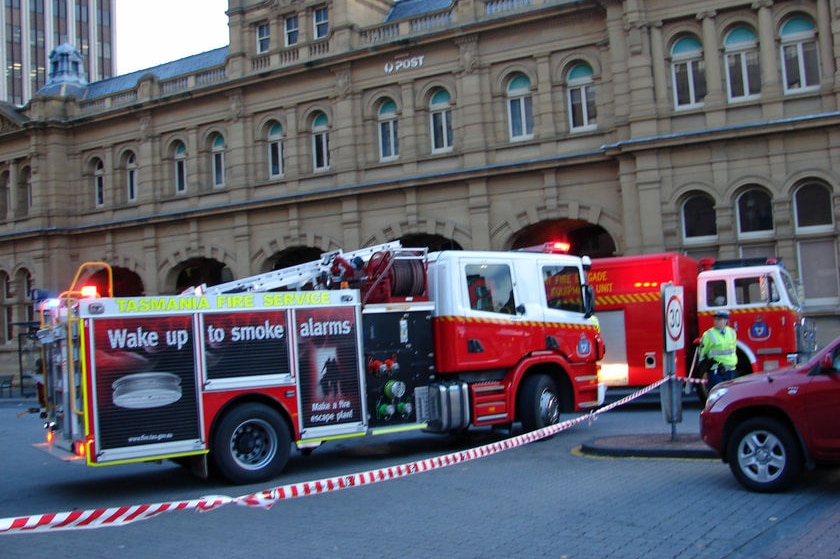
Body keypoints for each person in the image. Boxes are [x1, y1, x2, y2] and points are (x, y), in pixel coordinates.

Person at [698, 310, 738, 389]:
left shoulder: (732, 332)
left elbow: (733, 350)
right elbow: (702, 352)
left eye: (719, 319)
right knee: (717, 394)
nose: (716, 321)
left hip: (731, 369)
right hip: (716, 370)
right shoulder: (708, 334)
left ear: (726, 320)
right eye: (715, 319)